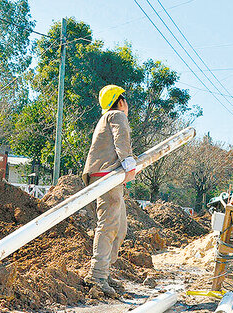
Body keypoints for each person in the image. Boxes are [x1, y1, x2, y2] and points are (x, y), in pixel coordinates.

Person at [82, 85, 136, 296]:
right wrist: (129, 165)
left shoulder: (106, 116)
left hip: (108, 177)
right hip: (106, 177)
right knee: (108, 227)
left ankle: (104, 272)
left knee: (119, 228)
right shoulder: (117, 115)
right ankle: (97, 275)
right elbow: (121, 138)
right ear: (120, 101)